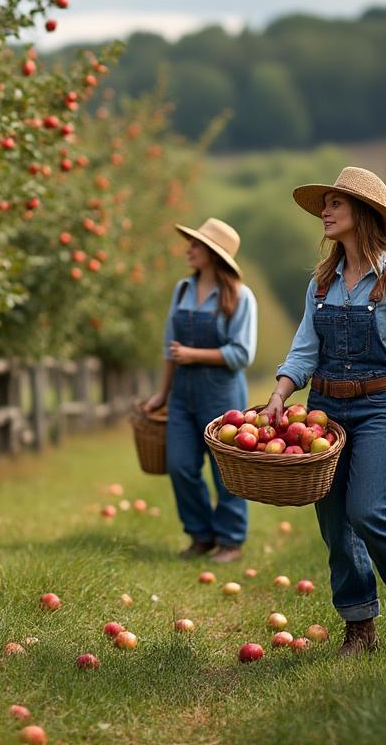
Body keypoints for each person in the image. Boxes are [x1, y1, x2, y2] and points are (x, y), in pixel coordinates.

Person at [260, 167, 386, 656]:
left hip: (379, 407)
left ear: (362, 214)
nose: (324, 212)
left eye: (335, 204)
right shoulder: (322, 282)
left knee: (368, 509)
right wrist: (281, 393)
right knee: (333, 521)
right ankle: (359, 625)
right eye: (324, 204)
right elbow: (305, 348)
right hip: (323, 409)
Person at [143, 219, 257, 564]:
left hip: (222, 392)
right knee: (179, 465)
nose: (189, 249)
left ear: (213, 254)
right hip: (182, 392)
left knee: (227, 470)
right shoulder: (182, 290)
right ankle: (201, 535)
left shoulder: (239, 296)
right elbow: (169, 347)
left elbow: (242, 354)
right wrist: (161, 394)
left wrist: (193, 355)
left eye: (196, 245)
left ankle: (231, 540)